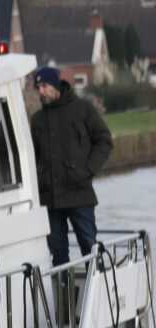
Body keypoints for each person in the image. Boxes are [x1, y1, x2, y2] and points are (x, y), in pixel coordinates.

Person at [30, 66, 113, 266]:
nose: (40, 91)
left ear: (56, 85)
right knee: (58, 255)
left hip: (80, 194)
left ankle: (99, 293)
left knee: (89, 247)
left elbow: (104, 140)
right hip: (50, 200)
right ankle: (63, 295)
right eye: (38, 87)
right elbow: (32, 157)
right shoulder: (37, 120)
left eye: (44, 86)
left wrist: (87, 170)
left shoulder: (83, 109)